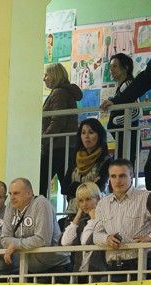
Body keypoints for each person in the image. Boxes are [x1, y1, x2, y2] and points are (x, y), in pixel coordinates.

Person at [93, 159, 151, 280]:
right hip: (113, 266)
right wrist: (106, 239)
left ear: (132, 176)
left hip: (142, 264)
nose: (117, 180)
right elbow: (96, 235)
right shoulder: (102, 204)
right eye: (113, 176)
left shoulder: (147, 198)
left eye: (122, 176)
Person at [1, 178, 70, 279]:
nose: (12, 198)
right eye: (10, 194)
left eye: (16, 193)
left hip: (55, 267)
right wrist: (15, 244)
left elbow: (42, 240)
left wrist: (15, 245)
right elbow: (4, 239)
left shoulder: (41, 203)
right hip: (28, 269)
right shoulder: (10, 207)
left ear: (29, 193)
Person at [40, 63, 83, 197]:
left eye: (46, 75)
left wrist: (44, 139)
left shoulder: (59, 93)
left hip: (56, 145)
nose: (44, 78)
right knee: (67, 185)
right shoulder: (64, 92)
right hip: (64, 145)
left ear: (55, 76)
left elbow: (58, 121)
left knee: (40, 183)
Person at [60, 182, 105, 277]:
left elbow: (86, 242)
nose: (84, 204)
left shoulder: (105, 220)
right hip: (79, 274)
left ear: (98, 198)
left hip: (98, 275)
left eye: (88, 199)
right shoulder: (81, 222)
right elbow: (65, 242)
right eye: (80, 201)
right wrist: (78, 216)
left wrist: (94, 219)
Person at [61, 118, 112, 200]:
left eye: (91, 132)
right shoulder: (76, 157)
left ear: (99, 135)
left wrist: (75, 186)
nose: (86, 136)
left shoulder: (106, 160)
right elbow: (64, 188)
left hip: (96, 206)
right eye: (83, 133)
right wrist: (90, 185)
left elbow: (99, 188)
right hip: (74, 206)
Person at [106, 53, 139, 164]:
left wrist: (115, 121)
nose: (111, 70)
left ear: (125, 68)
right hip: (123, 139)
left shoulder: (128, 84)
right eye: (110, 67)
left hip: (129, 139)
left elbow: (137, 111)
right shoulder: (121, 87)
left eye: (115, 66)